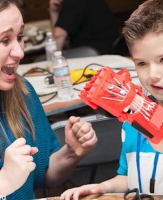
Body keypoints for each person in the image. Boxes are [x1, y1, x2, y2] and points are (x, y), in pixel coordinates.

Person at [0, 0, 98, 199]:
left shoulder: (23, 93)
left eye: (20, 37)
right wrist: (3, 181)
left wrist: (71, 153)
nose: (20, 52)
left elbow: (43, 177)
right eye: (5, 40)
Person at [60, 0, 163, 199]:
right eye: (141, 63)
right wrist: (101, 188)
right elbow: (129, 177)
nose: (153, 74)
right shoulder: (133, 122)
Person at [49, 0, 119, 54]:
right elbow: (63, 38)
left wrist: (51, 60)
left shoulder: (73, 2)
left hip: (93, 54)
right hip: (108, 51)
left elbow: (58, 37)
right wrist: (54, 11)